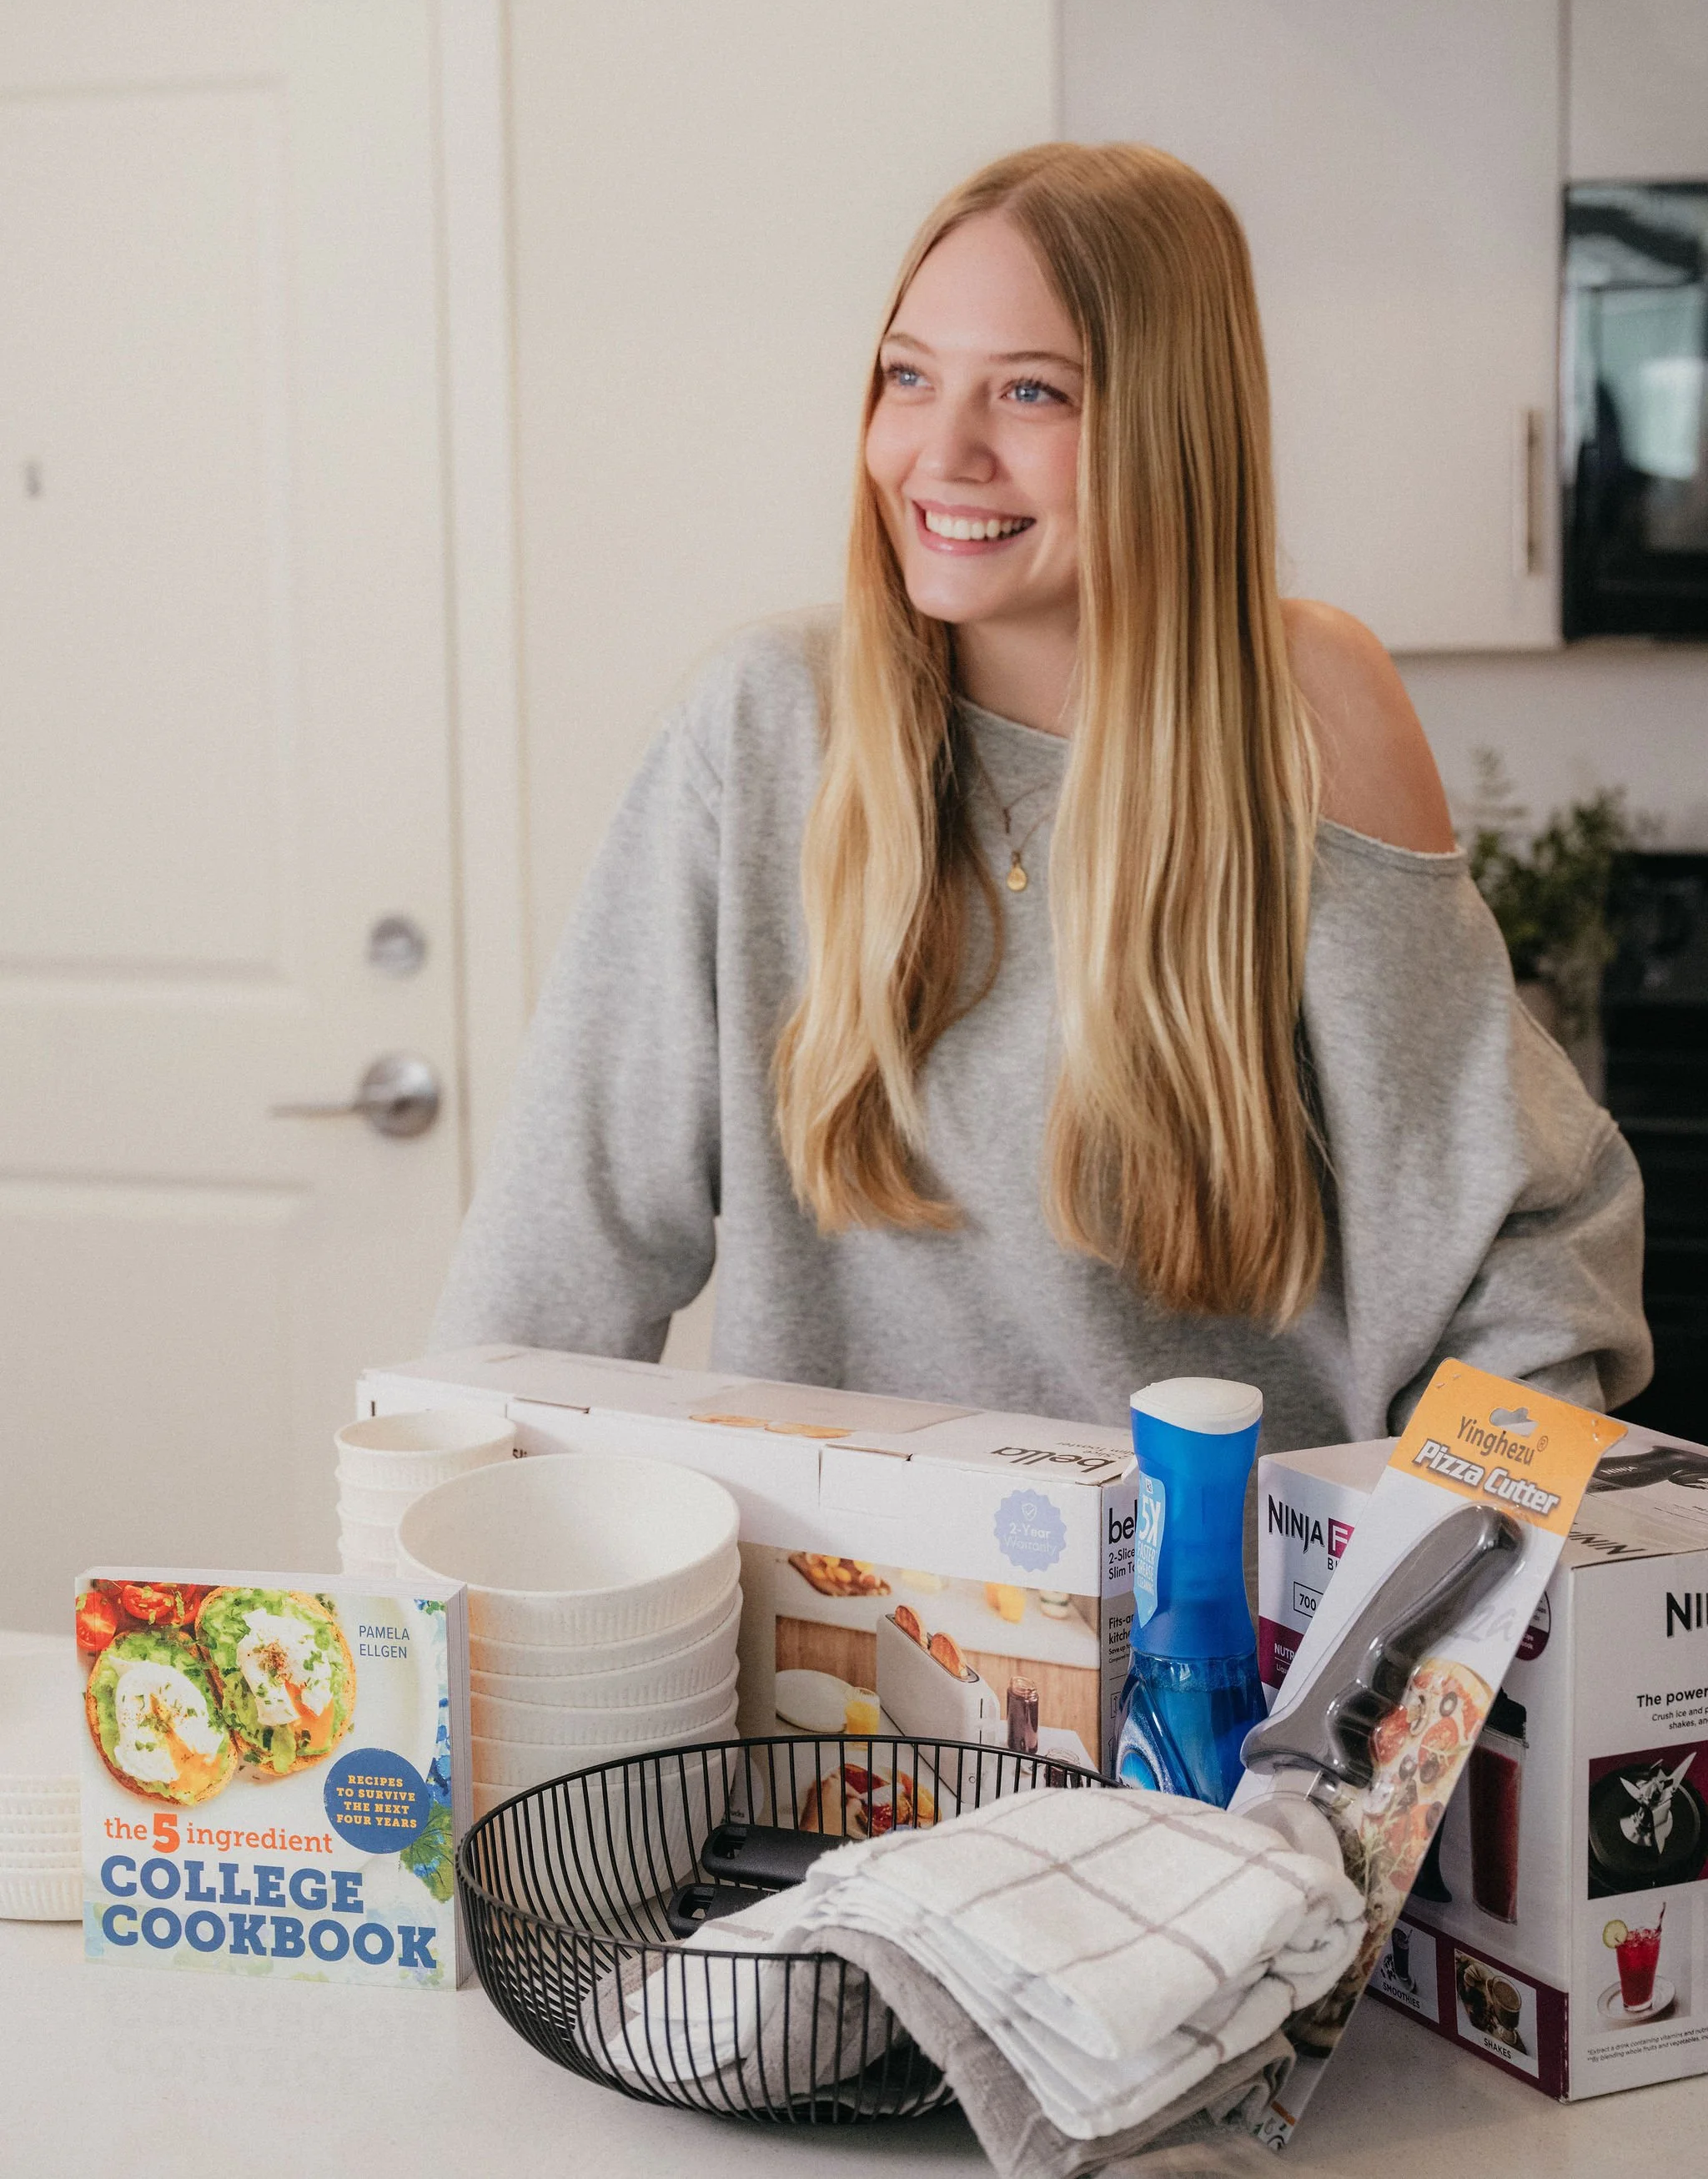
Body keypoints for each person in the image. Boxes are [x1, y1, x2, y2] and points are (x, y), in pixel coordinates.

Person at [430, 143, 1650, 1452]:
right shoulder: (767, 723)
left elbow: (1519, 1240)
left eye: (1030, 391)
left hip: (1228, 1640)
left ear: (1167, 421)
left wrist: (1446, 1601)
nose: (939, 453)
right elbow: (555, 1266)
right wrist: (439, 1556)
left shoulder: (1305, 710)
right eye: (908, 376)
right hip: (841, 1633)